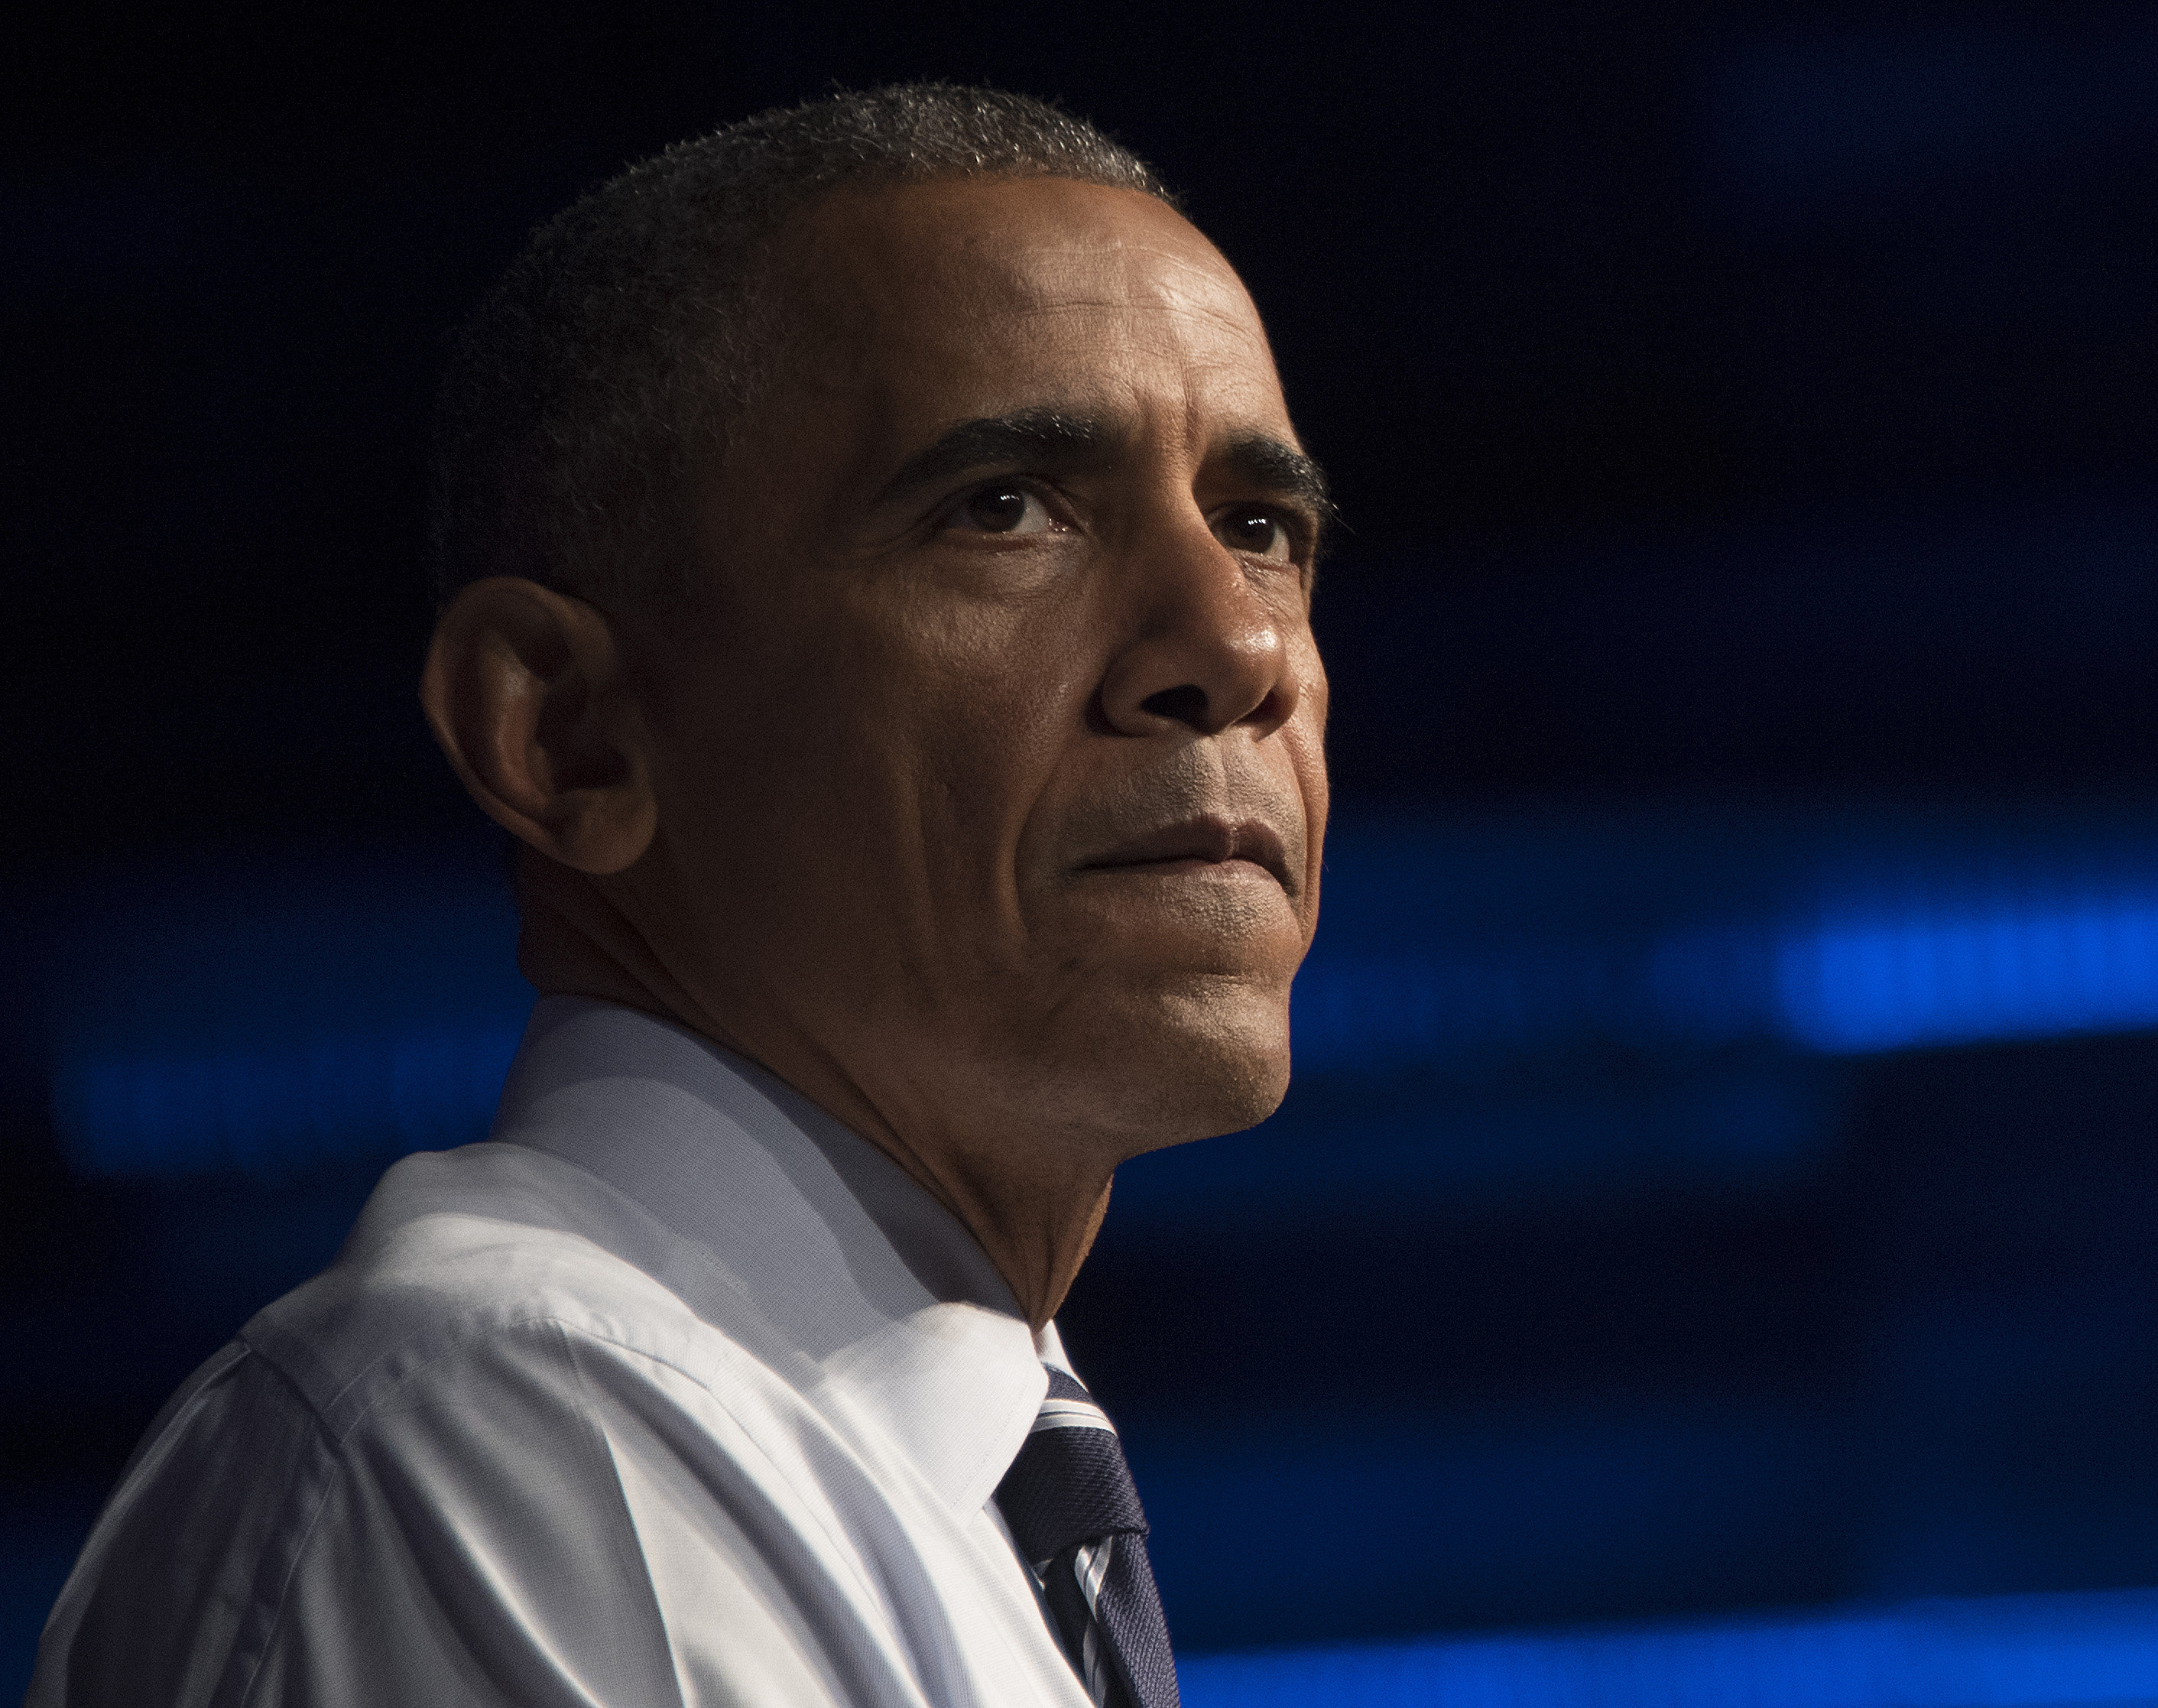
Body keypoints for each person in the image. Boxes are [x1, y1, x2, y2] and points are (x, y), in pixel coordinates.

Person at [28, 83, 1329, 1707]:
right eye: (1002, 507)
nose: (1237, 647)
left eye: (1262, 525)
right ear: (564, 732)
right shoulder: (503, 1442)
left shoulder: (900, 1478)